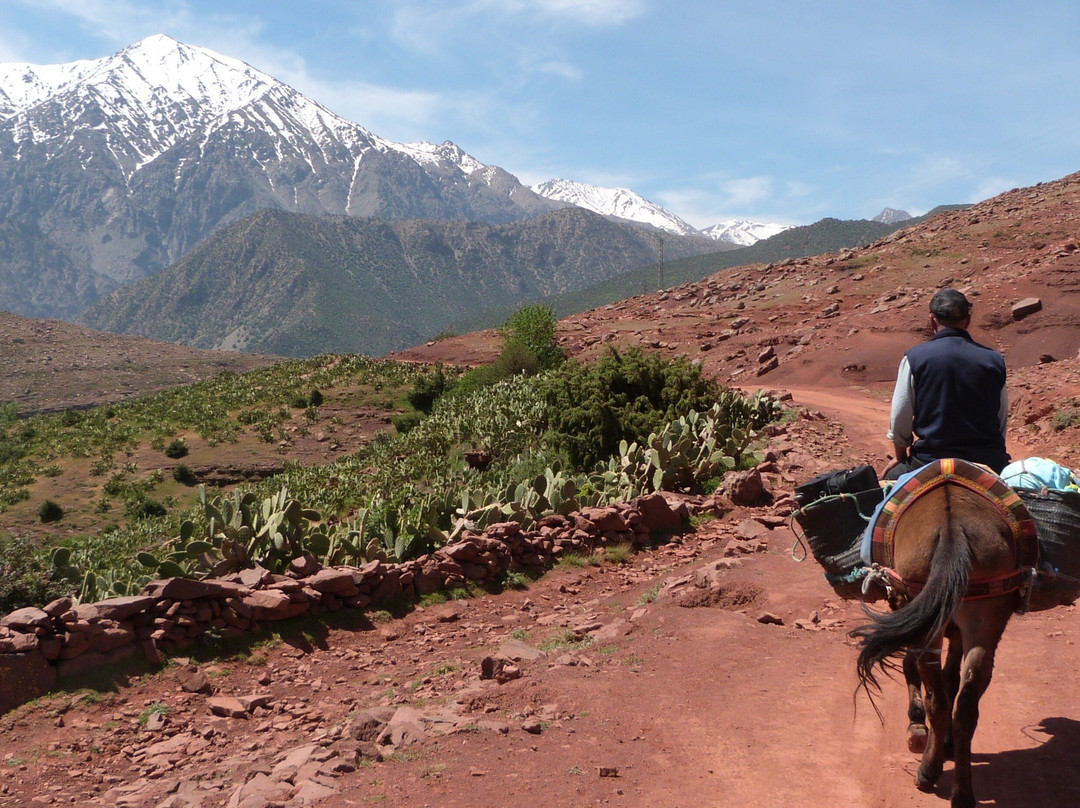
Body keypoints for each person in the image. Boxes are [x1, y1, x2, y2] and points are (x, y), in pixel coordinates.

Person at [883, 288, 1009, 480]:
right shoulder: (995, 361)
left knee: (880, 497)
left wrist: (900, 457)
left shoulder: (914, 358)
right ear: (967, 321)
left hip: (930, 462)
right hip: (988, 462)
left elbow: (901, 414)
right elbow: (1000, 418)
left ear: (932, 320)